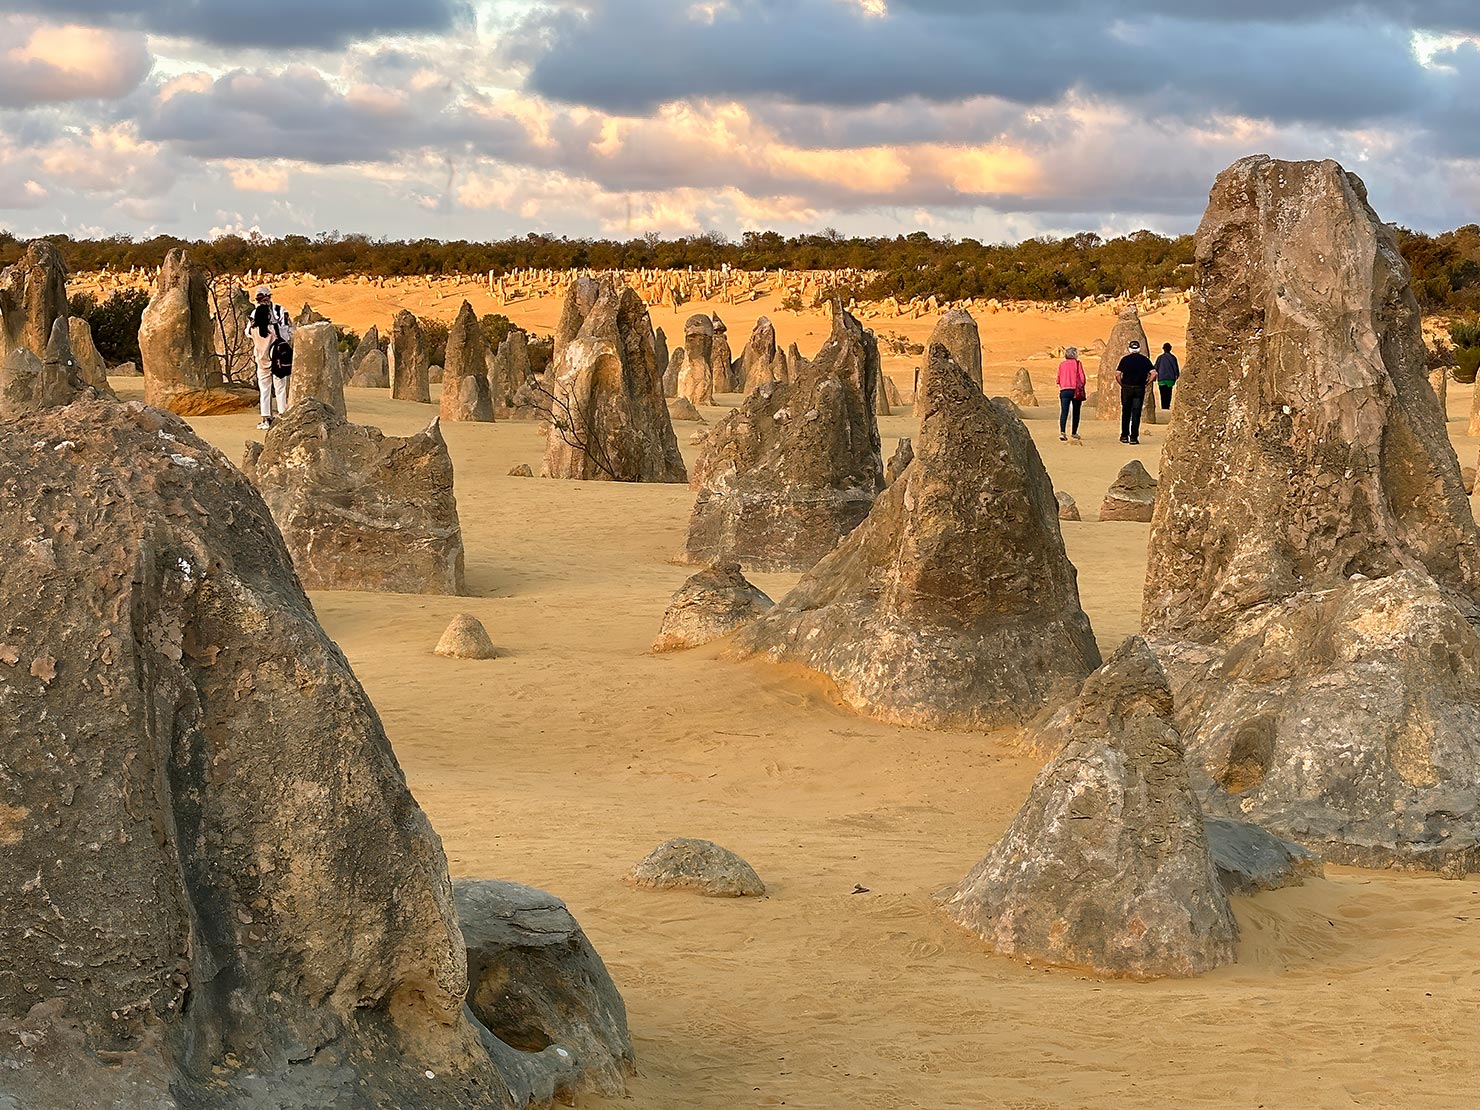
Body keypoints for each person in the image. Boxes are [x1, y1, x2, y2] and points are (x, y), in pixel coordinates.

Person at [247, 285, 293, 430]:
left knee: (265, 389)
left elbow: (248, 332)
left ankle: (266, 418)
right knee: (280, 388)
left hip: (262, 359)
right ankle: (282, 416)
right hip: (277, 358)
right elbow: (287, 334)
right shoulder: (278, 315)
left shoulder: (255, 322)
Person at [1115, 339, 1155, 445]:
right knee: (1136, 413)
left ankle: (1124, 436)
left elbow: (1117, 374)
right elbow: (1154, 373)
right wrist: (1147, 382)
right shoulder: (1144, 360)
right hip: (1139, 388)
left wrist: (1121, 384)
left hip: (1127, 388)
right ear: (1139, 348)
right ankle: (1133, 438)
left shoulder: (1125, 360)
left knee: (1126, 412)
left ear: (1129, 349)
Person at [1056, 346, 1087, 442]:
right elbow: (1082, 378)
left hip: (1064, 390)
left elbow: (1058, 379)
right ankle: (1074, 432)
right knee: (1076, 412)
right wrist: (1081, 385)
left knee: (1064, 412)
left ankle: (1062, 432)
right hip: (1075, 390)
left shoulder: (1062, 364)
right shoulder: (1077, 364)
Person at [1154, 342, 1179, 410]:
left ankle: (1163, 407)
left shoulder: (1160, 358)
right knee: (1168, 393)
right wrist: (1177, 376)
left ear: (1163, 349)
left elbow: (1155, 367)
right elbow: (1175, 368)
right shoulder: (1173, 358)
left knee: (1162, 394)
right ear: (1170, 349)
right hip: (1170, 379)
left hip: (1161, 379)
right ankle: (1167, 407)